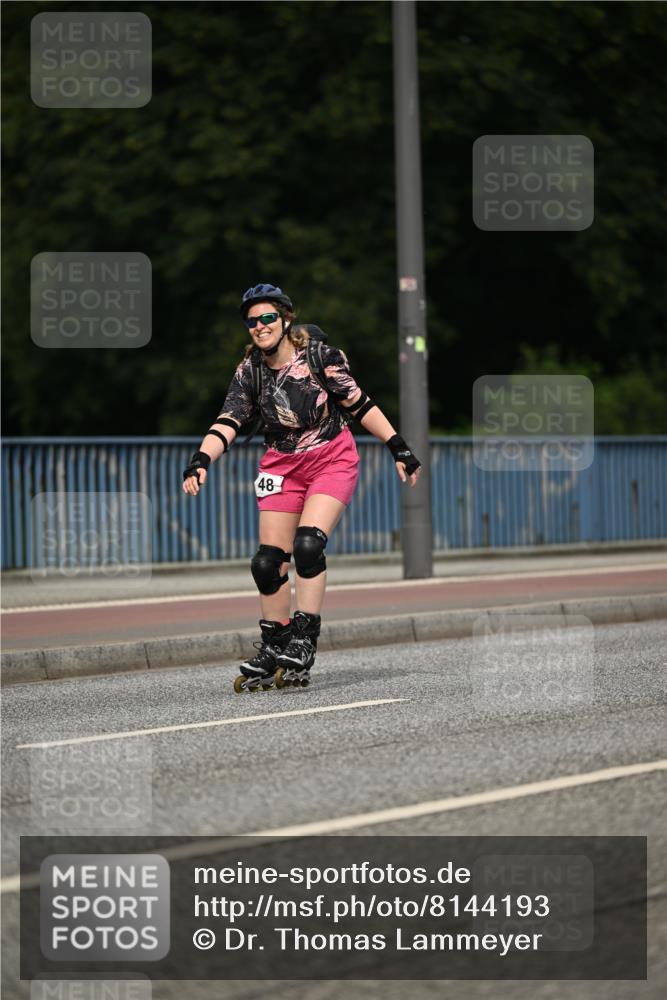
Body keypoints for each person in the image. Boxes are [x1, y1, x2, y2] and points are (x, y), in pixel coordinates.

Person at [183, 283, 422, 692]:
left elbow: (360, 404)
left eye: (268, 318)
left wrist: (398, 447)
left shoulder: (318, 357)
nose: (260, 326)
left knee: (308, 545)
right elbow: (229, 420)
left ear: (285, 320)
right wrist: (201, 460)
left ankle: (304, 639)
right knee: (267, 562)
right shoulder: (250, 371)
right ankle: (275, 643)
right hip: (281, 466)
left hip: (332, 458)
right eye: (252, 321)